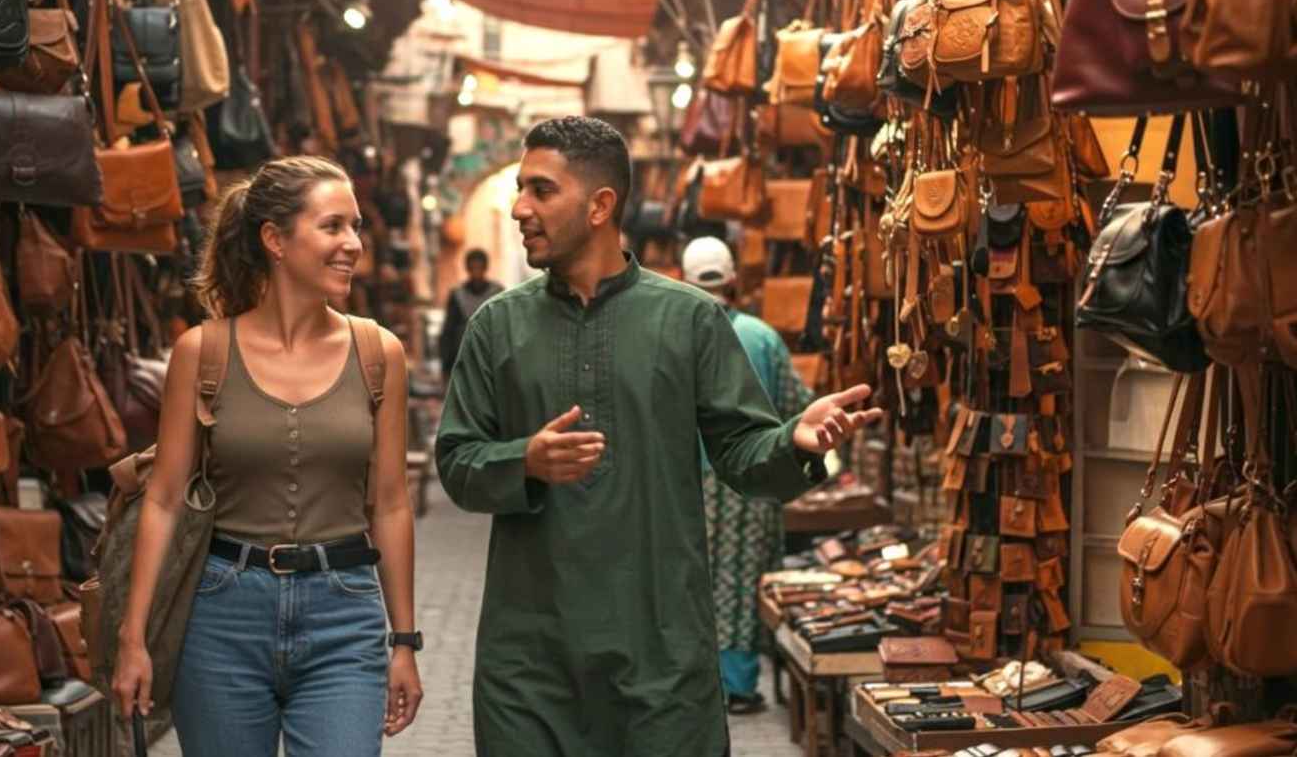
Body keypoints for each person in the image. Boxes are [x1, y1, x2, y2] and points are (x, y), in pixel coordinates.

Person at [436, 116, 883, 757]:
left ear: (600, 205)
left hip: (662, 655)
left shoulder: (689, 320)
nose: (518, 208)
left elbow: (741, 451)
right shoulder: (497, 328)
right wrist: (523, 460)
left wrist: (795, 441)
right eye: (520, 189)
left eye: (540, 190)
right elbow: (456, 460)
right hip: (531, 660)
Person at [110, 157, 424, 756]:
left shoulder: (378, 353)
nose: (353, 245)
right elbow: (163, 498)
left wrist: (404, 641)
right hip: (223, 614)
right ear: (275, 239)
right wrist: (134, 638)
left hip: (345, 615)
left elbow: (388, 504)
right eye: (333, 227)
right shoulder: (202, 353)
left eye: (356, 227)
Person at [681, 236, 815, 716]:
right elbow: (799, 407)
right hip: (751, 478)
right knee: (740, 583)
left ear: (684, 280)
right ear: (733, 279)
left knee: (687, 581)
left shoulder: (674, 333)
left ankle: (692, 684)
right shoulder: (761, 336)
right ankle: (738, 685)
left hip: (685, 482)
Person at [438, 248, 504, 377]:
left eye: (479, 267)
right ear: (467, 268)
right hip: (463, 354)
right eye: (473, 267)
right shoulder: (458, 295)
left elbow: (504, 327)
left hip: (491, 354)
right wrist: (446, 365)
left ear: (485, 268)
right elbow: (448, 330)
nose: (476, 271)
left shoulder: (497, 293)